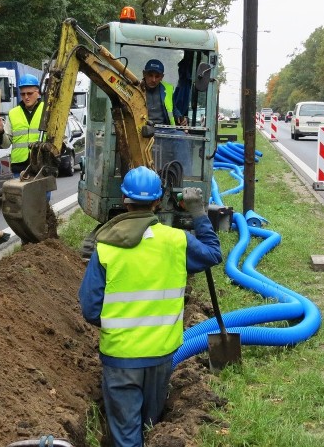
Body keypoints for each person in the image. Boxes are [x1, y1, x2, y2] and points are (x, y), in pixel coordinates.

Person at [78, 166, 222, 447]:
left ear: (123, 200)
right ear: (158, 201)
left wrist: (120, 324)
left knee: (125, 433)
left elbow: (91, 309)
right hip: (161, 354)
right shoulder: (177, 241)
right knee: (150, 426)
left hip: (120, 357)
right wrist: (199, 213)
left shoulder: (106, 247)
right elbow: (213, 254)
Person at [0, 73, 42, 177]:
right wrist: (1, 131)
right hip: (20, 170)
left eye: (29, 93)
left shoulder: (47, 110)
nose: (26, 97)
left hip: (42, 167)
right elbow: (6, 144)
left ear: (37, 93)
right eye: (23, 94)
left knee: (40, 194)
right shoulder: (13, 113)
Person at [142, 59, 186, 126]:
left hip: (164, 129)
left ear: (162, 77)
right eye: (150, 75)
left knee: (182, 136)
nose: (153, 80)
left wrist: (180, 117)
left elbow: (173, 109)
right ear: (144, 74)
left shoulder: (168, 89)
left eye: (157, 76)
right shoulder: (136, 90)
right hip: (141, 130)